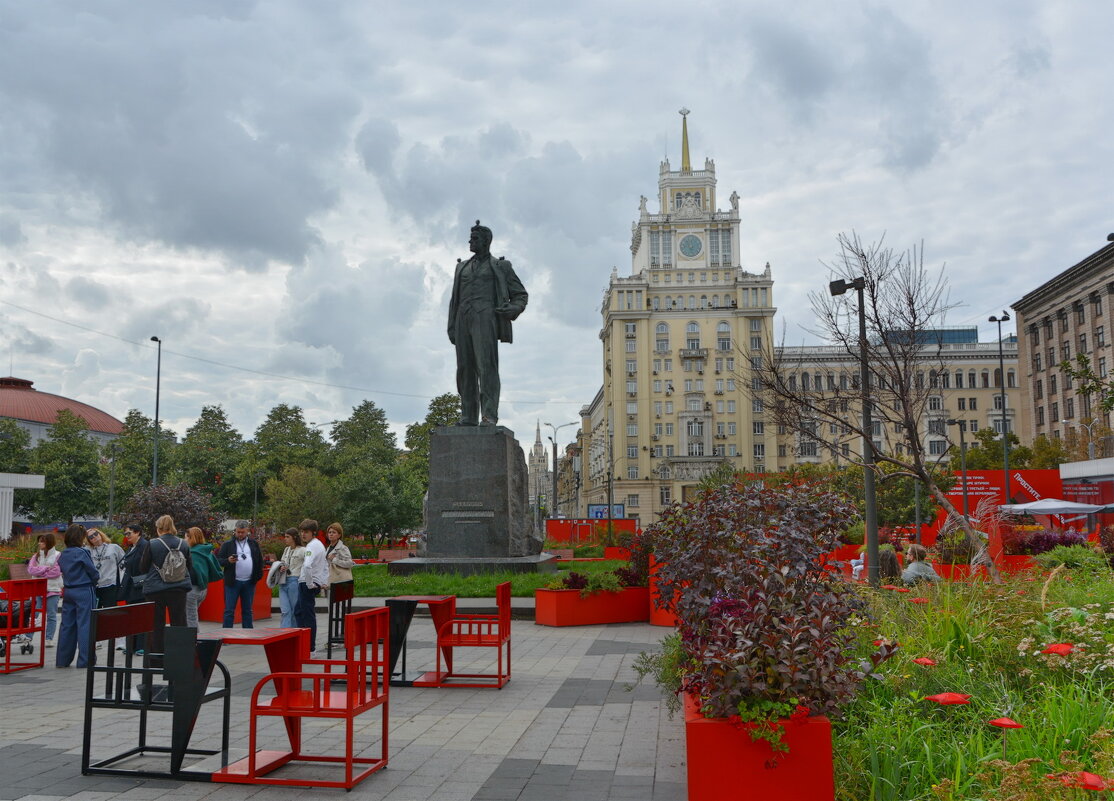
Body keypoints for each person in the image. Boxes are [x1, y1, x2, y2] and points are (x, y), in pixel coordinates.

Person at [447, 220, 528, 426]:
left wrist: (513, 308)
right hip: (462, 320)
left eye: (474, 239)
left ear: (486, 241)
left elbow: (520, 294)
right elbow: (454, 300)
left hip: (486, 318)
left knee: (486, 367)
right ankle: (468, 416)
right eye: (470, 238)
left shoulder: (501, 266)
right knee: (464, 369)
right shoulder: (461, 267)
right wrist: (451, 325)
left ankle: (489, 415)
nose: (470, 242)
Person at [139, 515, 194, 659]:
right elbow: (189, 566)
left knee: (156, 624)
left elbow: (143, 567)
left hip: (155, 590)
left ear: (158, 528)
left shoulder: (152, 544)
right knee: (179, 621)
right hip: (178, 588)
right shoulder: (184, 544)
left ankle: (157, 657)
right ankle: (180, 657)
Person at [56, 524, 98, 668]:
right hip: (84, 589)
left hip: (68, 590)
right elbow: (93, 572)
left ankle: (62, 659)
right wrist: (95, 579)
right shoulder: (82, 552)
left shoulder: (63, 554)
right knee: (86, 624)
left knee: (67, 625)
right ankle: (85, 660)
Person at [216, 521, 263, 628]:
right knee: (229, 610)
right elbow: (218, 560)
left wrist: (257, 576)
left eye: (242, 532)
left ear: (247, 531)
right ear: (235, 531)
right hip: (233, 582)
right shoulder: (228, 544)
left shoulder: (253, 544)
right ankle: (227, 635)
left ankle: (248, 634)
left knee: (247, 610)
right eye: (238, 532)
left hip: (249, 582)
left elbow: (259, 560)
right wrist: (228, 561)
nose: (240, 534)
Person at [296, 518, 329, 655]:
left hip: (307, 583)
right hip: (311, 581)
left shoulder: (311, 546)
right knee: (298, 611)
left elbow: (308, 565)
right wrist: (323, 580)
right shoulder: (318, 545)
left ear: (313, 532)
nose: (303, 535)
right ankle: (304, 644)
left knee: (306, 615)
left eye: (306, 532)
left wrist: (310, 583)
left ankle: (309, 648)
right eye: (302, 531)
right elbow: (325, 565)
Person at [27, 532, 62, 646]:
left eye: (42, 541)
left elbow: (56, 572)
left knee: (51, 615)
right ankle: (28, 637)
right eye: (40, 541)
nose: (39, 543)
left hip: (52, 589)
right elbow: (31, 570)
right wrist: (45, 569)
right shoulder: (36, 556)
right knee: (33, 614)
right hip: (37, 589)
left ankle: (49, 638)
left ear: (49, 542)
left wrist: (40, 572)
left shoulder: (58, 555)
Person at [118, 523, 149, 653]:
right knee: (132, 616)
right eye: (125, 534)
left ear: (138, 533)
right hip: (131, 587)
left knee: (140, 616)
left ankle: (141, 645)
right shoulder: (132, 547)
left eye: (129, 533)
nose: (127, 536)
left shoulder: (144, 546)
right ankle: (132, 645)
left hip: (140, 586)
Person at [185, 527, 217, 628]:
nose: (184, 540)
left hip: (191, 589)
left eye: (186, 537)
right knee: (192, 616)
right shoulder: (206, 551)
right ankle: (194, 640)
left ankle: (193, 641)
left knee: (190, 618)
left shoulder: (193, 553)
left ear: (191, 538)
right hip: (203, 589)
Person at [85, 528, 125, 612]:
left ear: (100, 534)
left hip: (111, 585)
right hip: (96, 586)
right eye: (91, 537)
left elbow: (123, 563)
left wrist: (122, 581)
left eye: (96, 534)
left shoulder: (114, 547)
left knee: (110, 612)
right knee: (96, 613)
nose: (94, 537)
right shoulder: (88, 550)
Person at [278, 528, 306, 628]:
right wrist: (281, 567)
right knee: (285, 611)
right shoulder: (286, 550)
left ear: (294, 537)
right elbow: (282, 562)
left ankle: (294, 633)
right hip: (283, 580)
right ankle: (284, 635)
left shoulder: (303, 550)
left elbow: (308, 564)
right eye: (285, 536)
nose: (285, 539)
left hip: (294, 580)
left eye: (287, 537)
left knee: (295, 610)